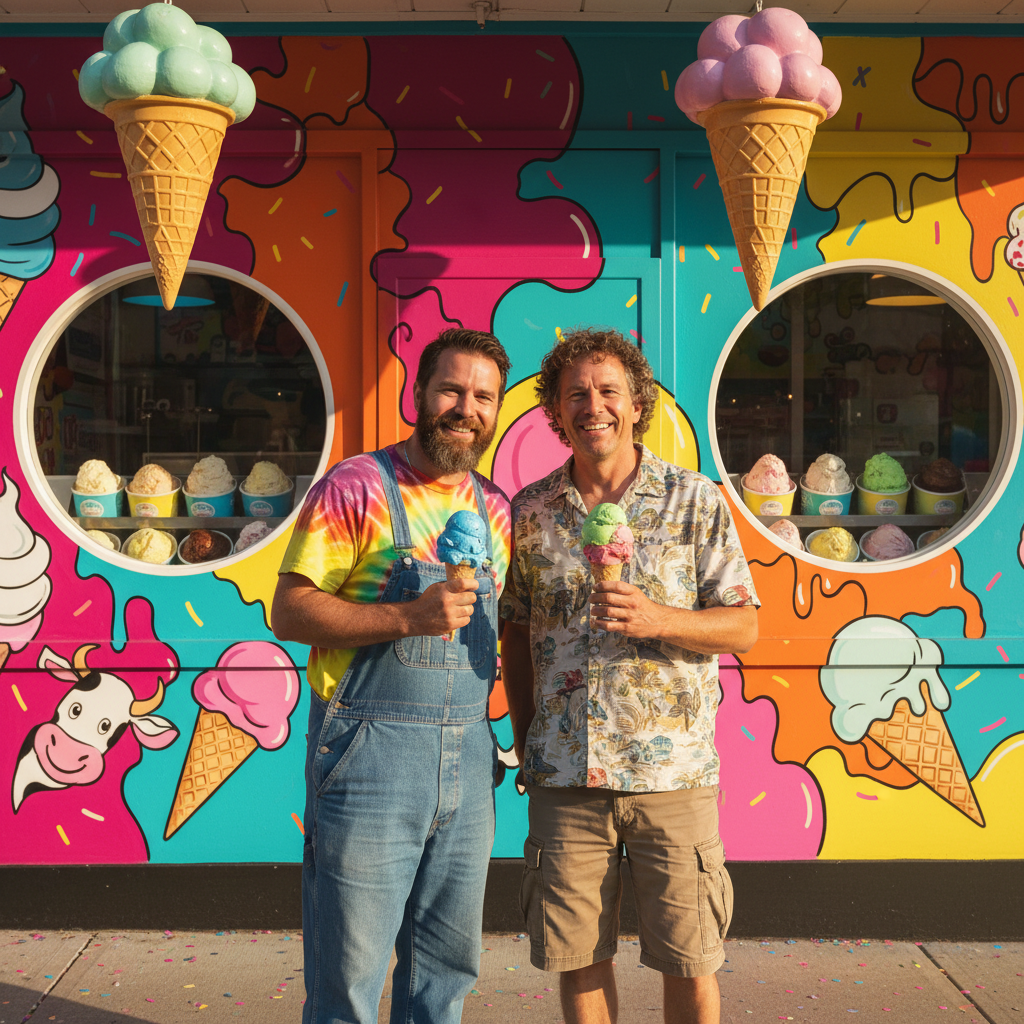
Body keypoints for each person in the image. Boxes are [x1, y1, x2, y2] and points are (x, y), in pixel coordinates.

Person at [499, 327, 759, 1024]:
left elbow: (743, 626)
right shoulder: (530, 512)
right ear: (556, 411)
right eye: (576, 394)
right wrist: (528, 740)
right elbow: (515, 633)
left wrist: (657, 618)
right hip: (565, 778)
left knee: (690, 959)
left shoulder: (693, 500)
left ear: (637, 404)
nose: (594, 406)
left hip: (673, 777)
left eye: (609, 391)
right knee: (578, 959)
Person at [271, 328, 512, 1024]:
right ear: (419, 394)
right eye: (451, 390)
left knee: (444, 977)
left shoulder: (496, 509)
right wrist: (407, 617)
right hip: (368, 756)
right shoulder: (356, 486)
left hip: (470, 759)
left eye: (483, 397)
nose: (465, 409)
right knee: (349, 978)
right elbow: (290, 610)